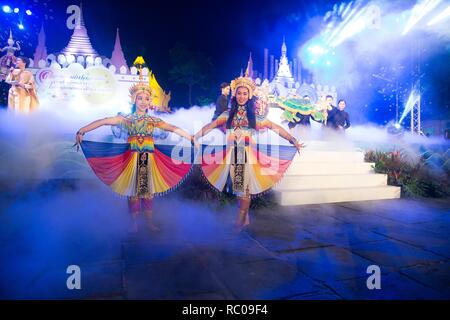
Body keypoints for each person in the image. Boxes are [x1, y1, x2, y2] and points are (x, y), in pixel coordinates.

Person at [75, 81, 194, 233]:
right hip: (132, 160)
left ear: (150, 101)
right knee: (133, 193)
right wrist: (82, 131)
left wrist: (190, 137)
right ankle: (134, 224)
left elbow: (173, 128)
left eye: (146, 98)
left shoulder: (153, 121)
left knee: (148, 193)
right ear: (133, 100)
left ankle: (149, 223)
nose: (143, 102)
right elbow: (103, 121)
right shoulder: (127, 119)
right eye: (140, 98)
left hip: (148, 160)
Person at [194, 76, 304, 232]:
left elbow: (275, 127)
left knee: (243, 188)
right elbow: (211, 125)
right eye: (239, 93)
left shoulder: (254, 117)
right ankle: (244, 217)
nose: (242, 96)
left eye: (245, 93)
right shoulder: (227, 115)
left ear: (250, 95)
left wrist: (292, 139)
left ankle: (239, 222)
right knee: (239, 188)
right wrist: (196, 136)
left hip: (246, 156)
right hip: (231, 155)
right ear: (235, 94)